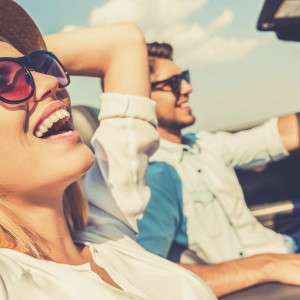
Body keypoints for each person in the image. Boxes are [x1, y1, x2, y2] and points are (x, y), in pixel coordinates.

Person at [0, 1, 217, 299]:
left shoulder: (106, 228)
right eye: (3, 78)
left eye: (41, 65)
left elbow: (124, 43)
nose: (51, 81)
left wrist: (24, 47)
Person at [136, 41, 300, 297]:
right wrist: (268, 266)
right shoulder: (154, 175)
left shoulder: (206, 145)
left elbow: (281, 134)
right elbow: (151, 277)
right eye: (174, 83)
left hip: (287, 251)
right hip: (271, 281)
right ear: (140, 99)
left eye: (184, 78)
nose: (188, 88)